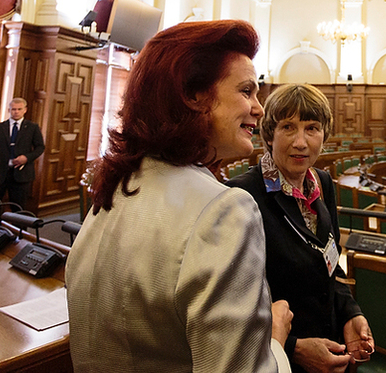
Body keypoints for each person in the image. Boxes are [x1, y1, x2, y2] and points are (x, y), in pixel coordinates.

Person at [66, 20, 293, 373]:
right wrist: (275, 343)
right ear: (193, 95)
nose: (259, 108)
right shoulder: (224, 209)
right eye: (246, 91)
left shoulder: (115, 191)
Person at [227, 84, 373, 373]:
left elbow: (329, 264)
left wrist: (349, 314)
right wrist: (293, 348)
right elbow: (234, 304)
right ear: (269, 134)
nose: (301, 142)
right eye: (288, 127)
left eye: (312, 128)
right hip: (274, 362)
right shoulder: (241, 195)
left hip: (331, 353)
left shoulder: (323, 183)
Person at [0, 97, 44, 210]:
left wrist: (26, 158)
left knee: (19, 208)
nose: (16, 112)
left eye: (19, 109)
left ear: (25, 110)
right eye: (13, 109)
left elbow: (40, 147)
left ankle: (18, 228)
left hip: (21, 174)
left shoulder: (32, 128)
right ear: (9, 110)